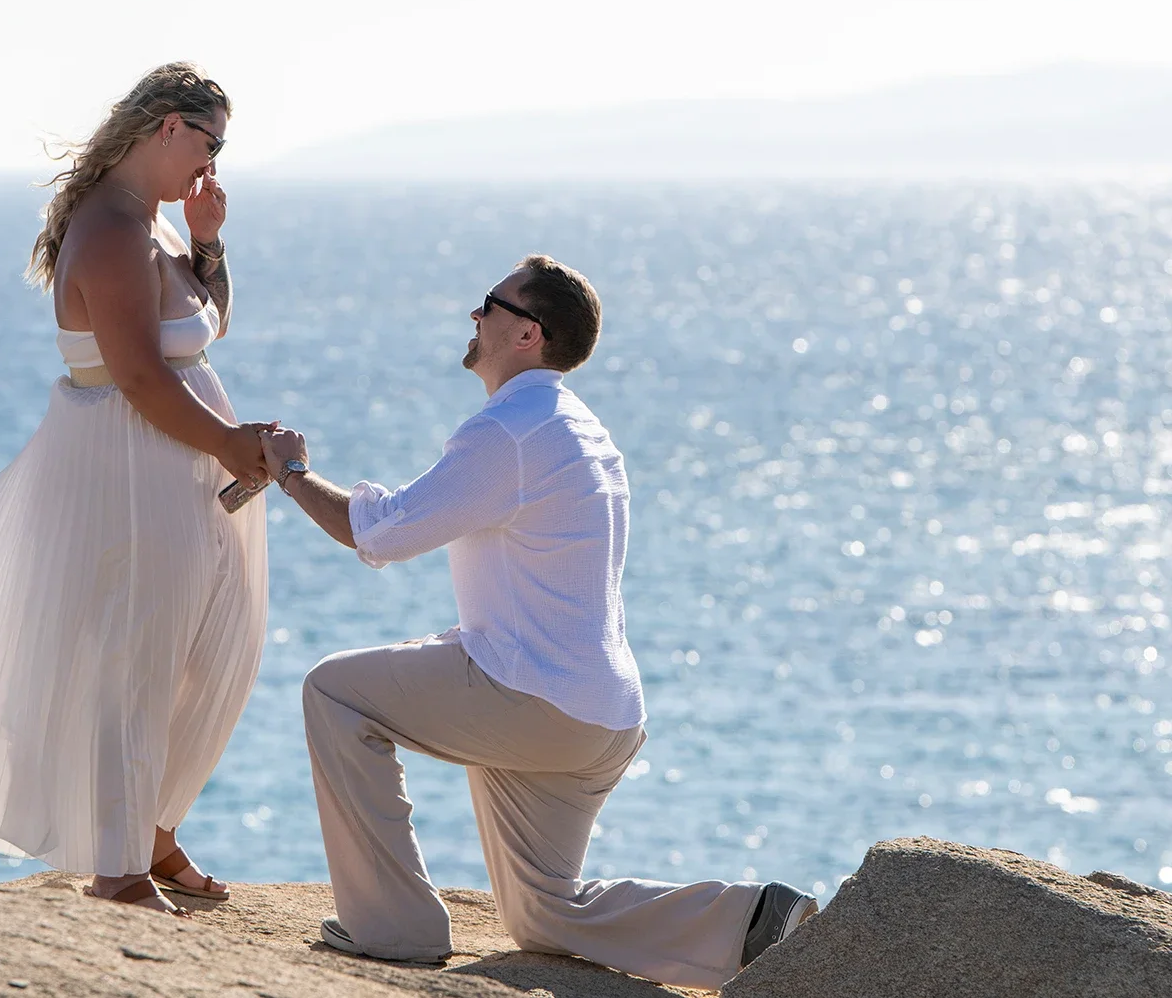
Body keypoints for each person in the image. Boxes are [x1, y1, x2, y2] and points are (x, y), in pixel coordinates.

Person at [256, 255, 818, 990]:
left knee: (333, 689)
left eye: (488, 303)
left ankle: (393, 929)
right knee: (543, 915)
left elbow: (382, 533)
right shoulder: (580, 427)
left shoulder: (510, 431)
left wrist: (289, 471)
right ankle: (752, 920)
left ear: (527, 332)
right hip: (601, 716)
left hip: (536, 702)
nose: (474, 314)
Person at [0, 63, 272, 914]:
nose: (212, 164)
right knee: (136, 659)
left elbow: (204, 326)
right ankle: (118, 863)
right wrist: (234, 443)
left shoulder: (159, 226)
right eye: (209, 143)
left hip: (179, 470)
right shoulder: (110, 230)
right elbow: (138, 375)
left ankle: (149, 826)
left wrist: (209, 240)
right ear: (168, 127)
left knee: (219, 642)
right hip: (126, 470)